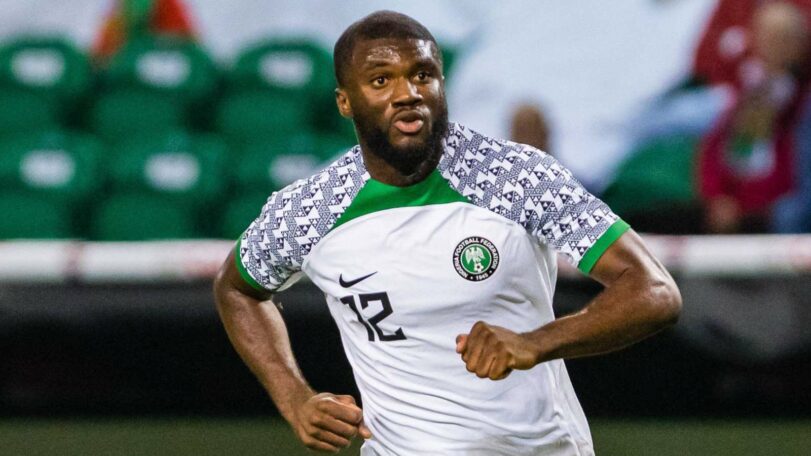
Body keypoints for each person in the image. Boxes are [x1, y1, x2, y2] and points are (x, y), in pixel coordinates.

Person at [213, 10, 682, 455]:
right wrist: (294, 398)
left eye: (422, 75)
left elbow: (655, 291)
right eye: (381, 80)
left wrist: (536, 342)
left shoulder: (514, 176)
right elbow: (236, 289)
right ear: (345, 102)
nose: (407, 93)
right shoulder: (312, 209)